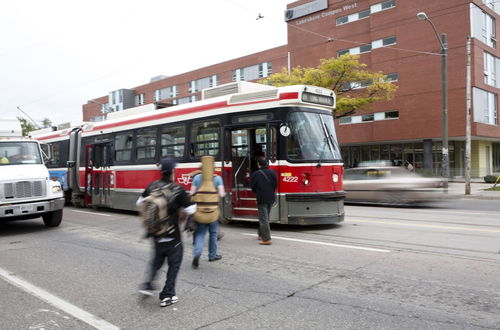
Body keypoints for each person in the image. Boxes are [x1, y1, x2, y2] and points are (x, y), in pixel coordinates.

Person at [136, 157, 196, 307]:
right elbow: (191, 209)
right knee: (174, 265)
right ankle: (167, 295)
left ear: (161, 171)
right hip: (172, 236)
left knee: (156, 260)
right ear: (173, 172)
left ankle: (148, 285)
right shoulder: (178, 189)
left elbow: (139, 203)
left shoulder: (152, 187)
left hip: (156, 234)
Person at [190, 156, 225, 268]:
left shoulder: (197, 178)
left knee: (200, 233)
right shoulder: (217, 178)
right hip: (213, 212)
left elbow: (191, 194)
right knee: (213, 234)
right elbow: (222, 194)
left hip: (200, 212)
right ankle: (212, 255)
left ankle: (197, 253)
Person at [250, 157, 277, 245]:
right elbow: (275, 185)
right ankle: (261, 234)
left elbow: (253, 187)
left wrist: (258, 191)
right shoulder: (273, 173)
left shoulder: (255, 174)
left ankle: (266, 239)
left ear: (258, 164)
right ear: (266, 164)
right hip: (271, 197)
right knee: (265, 217)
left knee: (263, 218)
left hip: (261, 198)